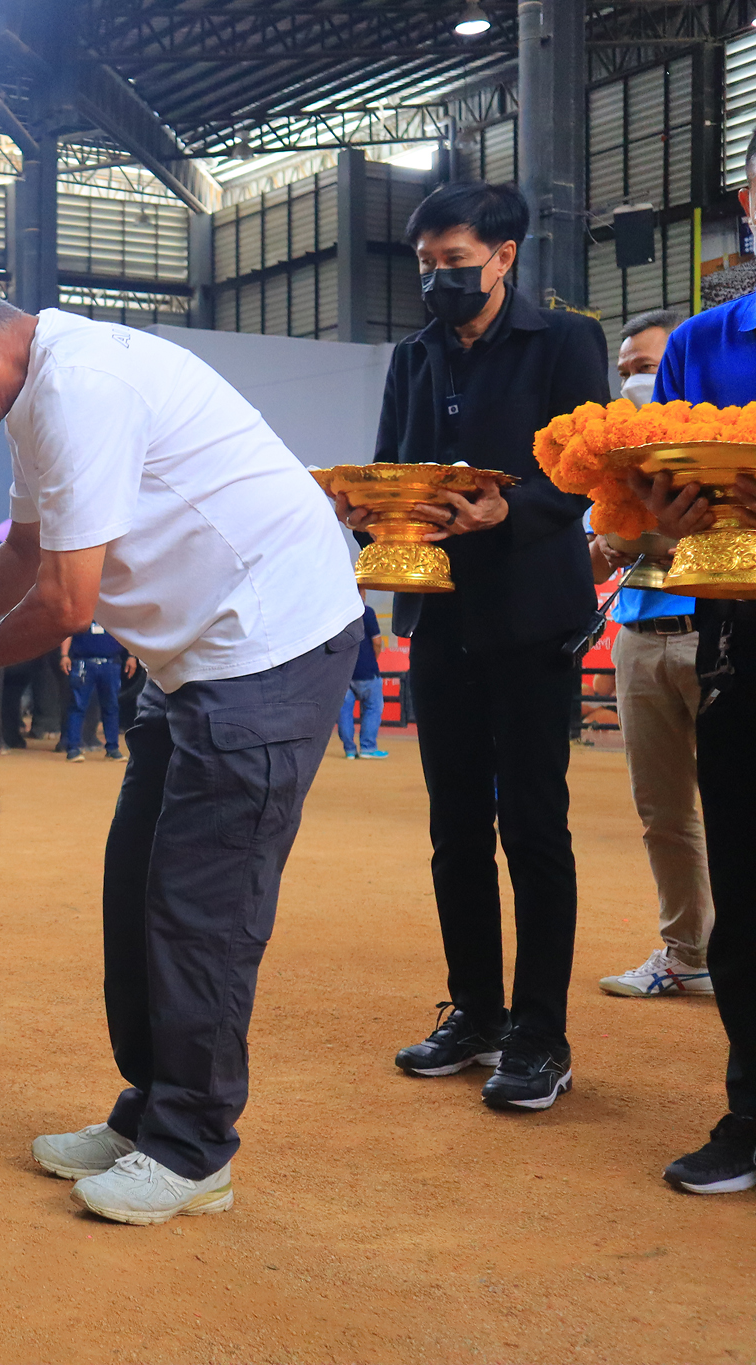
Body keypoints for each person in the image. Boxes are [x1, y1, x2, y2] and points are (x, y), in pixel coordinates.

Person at [0, 263, 360, 1225]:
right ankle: (149, 1113)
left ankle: (194, 1148)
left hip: (267, 648)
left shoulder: (84, 388)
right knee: (136, 887)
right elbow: (20, 555)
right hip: (193, 662)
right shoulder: (38, 395)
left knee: (201, 906)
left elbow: (64, 603)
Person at [348, 182, 606, 1111]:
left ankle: (541, 1032)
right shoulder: (414, 357)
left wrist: (513, 508)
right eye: (425, 267)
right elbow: (387, 465)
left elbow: (585, 476)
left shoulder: (564, 342)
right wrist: (364, 515)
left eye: (454, 265)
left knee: (533, 827)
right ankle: (476, 1011)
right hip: (441, 616)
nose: (437, 282)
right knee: (455, 829)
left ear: (503, 257)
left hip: (532, 613)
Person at [625, 131, 756, 1192]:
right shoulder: (700, 346)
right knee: (745, 891)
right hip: (735, 643)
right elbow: (655, 528)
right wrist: (663, 528)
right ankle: (749, 1116)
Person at [589, 309, 712, 1000]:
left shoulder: (719, 447)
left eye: (650, 366)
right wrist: (609, 539)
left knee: (735, 801)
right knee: (662, 811)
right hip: (636, 642)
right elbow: (591, 557)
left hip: (713, 629)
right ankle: (685, 951)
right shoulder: (611, 465)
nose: (637, 379)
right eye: (628, 369)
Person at [57, 624, 127, 762]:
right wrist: (64, 655)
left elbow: (126, 630)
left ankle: (113, 748)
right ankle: (73, 749)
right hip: (83, 663)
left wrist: (131, 655)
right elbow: (69, 631)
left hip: (111, 663)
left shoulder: (112, 612)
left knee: (111, 707)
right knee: (78, 706)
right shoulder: (83, 611)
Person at [337, 603, 389, 759]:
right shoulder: (366, 612)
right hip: (367, 671)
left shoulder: (338, 612)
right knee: (373, 708)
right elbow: (377, 641)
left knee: (344, 712)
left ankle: (350, 750)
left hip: (345, 672)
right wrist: (373, 659)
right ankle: (368, 747)